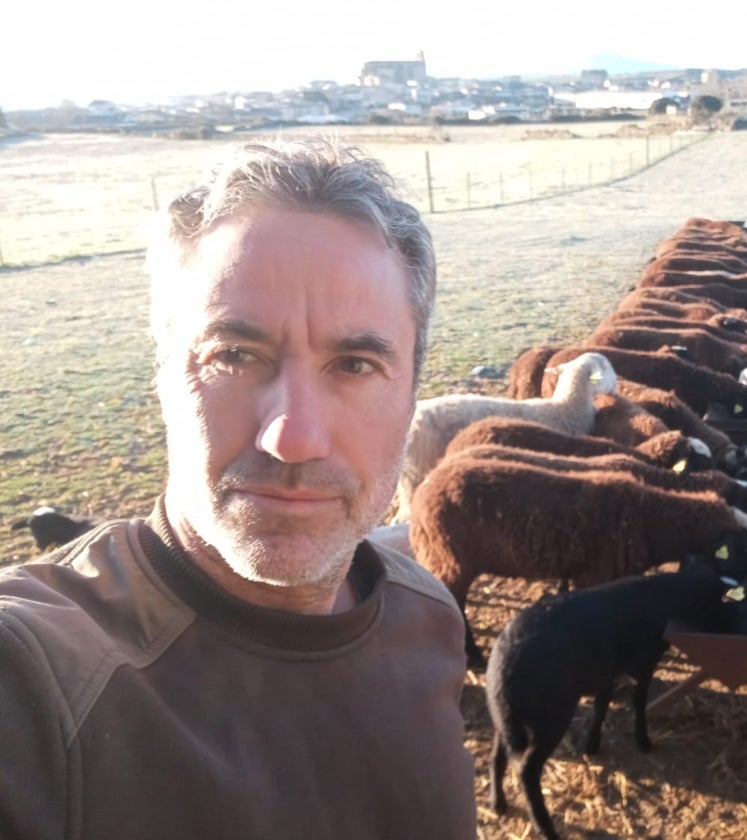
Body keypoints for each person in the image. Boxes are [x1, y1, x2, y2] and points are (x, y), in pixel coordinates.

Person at [0, 138, 478, 838]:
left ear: (412, 396)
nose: (292, 437)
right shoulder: (37, 678)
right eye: (234, 355)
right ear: (163, 376)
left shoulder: (428, 615)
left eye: (353, 363)